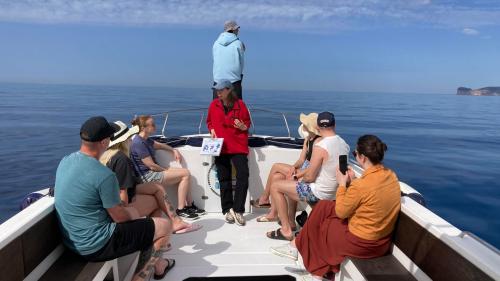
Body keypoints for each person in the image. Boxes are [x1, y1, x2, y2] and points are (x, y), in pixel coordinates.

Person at [54, 116, 175, 281]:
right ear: (104, 143)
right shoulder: (104, 175)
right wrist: (133, 213)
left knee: (147, 228)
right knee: (165, 226)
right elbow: (119, 217)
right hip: (97, 245)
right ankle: (139, 278)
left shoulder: (65, 161)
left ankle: (159, 265)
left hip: (73, 241)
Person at [270, 135, 401, 280]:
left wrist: (342, 183)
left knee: (324, 226)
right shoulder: (391, 175)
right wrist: (354, 181)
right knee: (324, 206)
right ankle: (295, 246)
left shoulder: (361, 186)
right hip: (381, 242)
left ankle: (315, 271)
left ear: (362, 157)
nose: (355, 156)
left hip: (363, 244)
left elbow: (341, 211)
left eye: (355, 154)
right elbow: (369, 194)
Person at [100, 121, 202, 233]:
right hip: (118, 204)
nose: (130, 140)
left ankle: (167, 226)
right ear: (123, 141)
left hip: (110, 199)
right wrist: (123, 217)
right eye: (128, 137)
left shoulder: (105, 156)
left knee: (157, 187)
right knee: (157, 201)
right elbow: (122, 193)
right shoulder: (121, 159)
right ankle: (168, 226)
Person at [266, 112, 349, 241]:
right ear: (334, 124)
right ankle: (290, 222)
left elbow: (310, 176)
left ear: (318, 127)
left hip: (319, 193)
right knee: (288, 184)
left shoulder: (321, 146)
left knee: (276, 186)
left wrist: (295, 179)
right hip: (334, 192)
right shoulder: (343, 144)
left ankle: (286, 230)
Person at [252, 113, 322, 228]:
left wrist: (296, 174)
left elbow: (313, 167)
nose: (302, 126)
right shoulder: (308, 139)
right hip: (302, 169)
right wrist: (293, 168)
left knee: (276, 166)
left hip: (309, 173)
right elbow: (301, 159)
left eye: (304, 125)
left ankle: (264, 199)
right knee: (276, 177)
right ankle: (274, 214)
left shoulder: (318, 142)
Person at [130, 115, 205, 219]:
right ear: (143, 128)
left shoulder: (146, 139)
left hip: (153, 172)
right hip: (147, 177)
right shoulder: (138, 143)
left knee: (185, 172)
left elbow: (160, 145)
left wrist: (173, 150)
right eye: (152, 125)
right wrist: (166, 170)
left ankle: (189, 205)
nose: (155, 127)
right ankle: (181, 209)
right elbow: (151, 166)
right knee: (185, 174)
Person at [207, 79, 251, 226]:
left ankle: (238, 210)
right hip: (220, 146)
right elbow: (209, 122)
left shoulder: (240, 105)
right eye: (216, 90)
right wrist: (212, 130)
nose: (217, 92)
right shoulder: (214, 104)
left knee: (243, 175)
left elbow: (247, 125)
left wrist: (242, 126)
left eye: (220, 90)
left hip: (238, 146)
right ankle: (227, 209)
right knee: (223, 178)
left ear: (229, 90)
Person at [212, 20, 245, 100]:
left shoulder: (216, 43)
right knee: (236, 109)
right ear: (233, 30)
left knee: (218, 109)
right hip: (234, 81)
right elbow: (241, 64)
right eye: (237, 29)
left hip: (218, 81)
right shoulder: (238, 43)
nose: (238, 30)